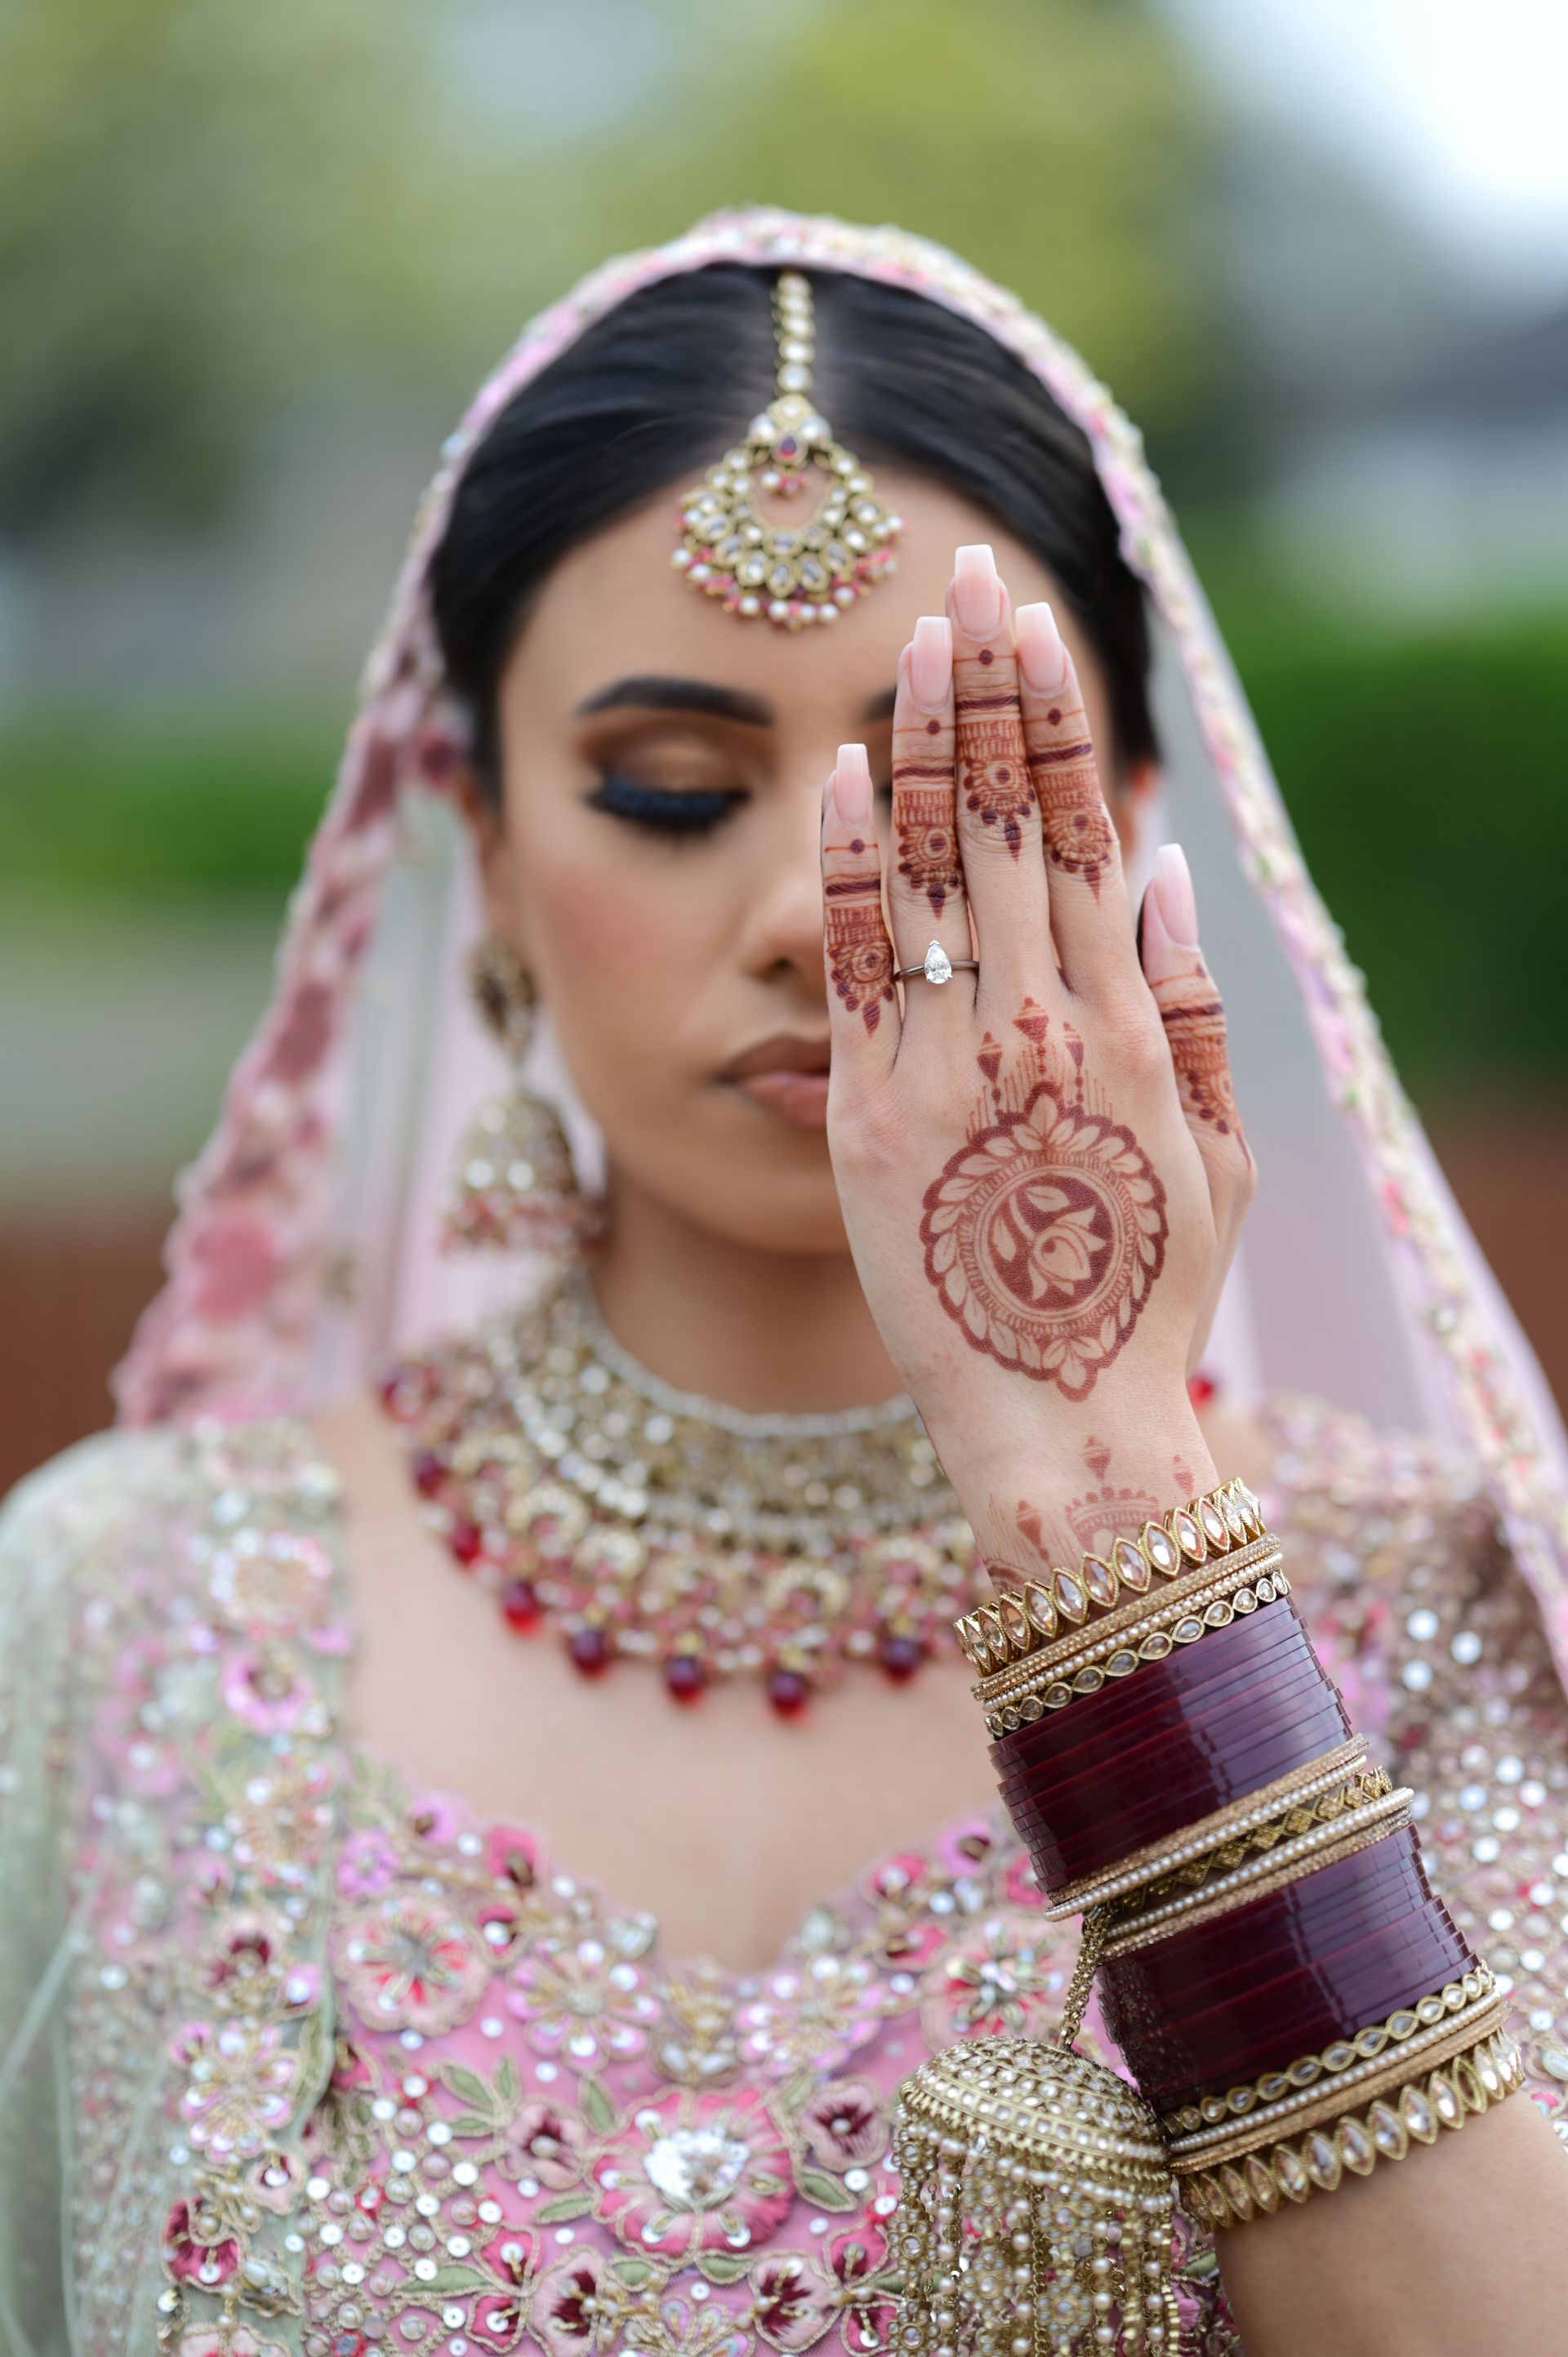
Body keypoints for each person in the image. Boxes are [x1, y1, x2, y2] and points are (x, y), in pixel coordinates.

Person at [2, 208, 1566, 2357]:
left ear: (1123, 836)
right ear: (485, 852)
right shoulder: (127, 1611)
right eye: (670, 791)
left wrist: (1110, 1526)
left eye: (951, 802)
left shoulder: (1439, 1616)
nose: (813, 916)